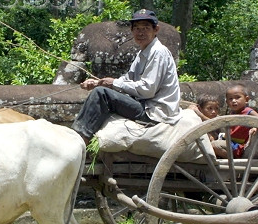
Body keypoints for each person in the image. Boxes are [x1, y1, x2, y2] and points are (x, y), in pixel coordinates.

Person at [71, 9, 182, 143]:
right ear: (132, 31)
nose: (140, 33)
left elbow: (147, 90)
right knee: (100, 89)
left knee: (102, 94)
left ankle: (81, 140)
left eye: (146, 28)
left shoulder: (158, 53)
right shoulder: (143, 53)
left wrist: (113, 83)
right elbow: (127, 79)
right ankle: (78, 135)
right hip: (145, 104)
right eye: (137, 28)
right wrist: (97, 82)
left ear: (156, 30)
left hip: (154, 112)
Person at [212, 84, 258, 158]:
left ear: (246, 99)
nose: (233, 101)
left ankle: (233, 160)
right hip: (230, 142)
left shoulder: (248, 112)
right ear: (227, 102)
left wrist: (256, 127)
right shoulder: (233, 113)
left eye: (237, 97)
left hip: (238, 146)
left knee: (214, 145)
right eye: (230, 99)